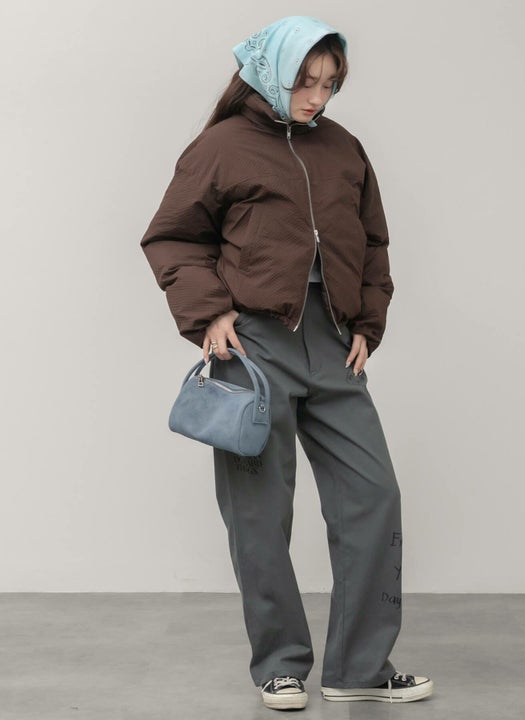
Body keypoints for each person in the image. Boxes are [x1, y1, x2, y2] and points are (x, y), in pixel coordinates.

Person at [140, 15, 433, 711]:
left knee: (373, 496)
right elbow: (173, 238)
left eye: (329, 85)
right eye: (306, 82)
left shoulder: (343, 147)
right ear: (269, 73)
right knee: (259, 513)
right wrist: (209, 313)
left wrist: (368, 322)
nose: (317, 98)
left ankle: (359, 667)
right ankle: (279, 664)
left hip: (333, 345)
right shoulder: (220, 147)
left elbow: (373, 243)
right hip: (254, 348)